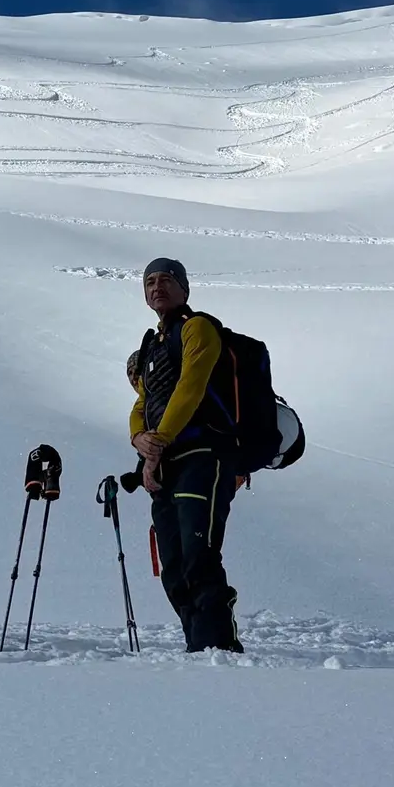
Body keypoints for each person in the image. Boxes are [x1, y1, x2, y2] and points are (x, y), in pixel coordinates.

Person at [129, 257, 243, 653]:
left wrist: (155, 442)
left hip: (204, 455)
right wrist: (138, 440)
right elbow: (142, 401)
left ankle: (217, 649)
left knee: (198, 555)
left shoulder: (199, 329)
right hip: (166, 464)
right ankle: (200, 650)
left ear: (184, 288)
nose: (156, 287)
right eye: (149, 282)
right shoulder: (151, 348)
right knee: (174, 567)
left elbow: (190, 389)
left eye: (166, 279)